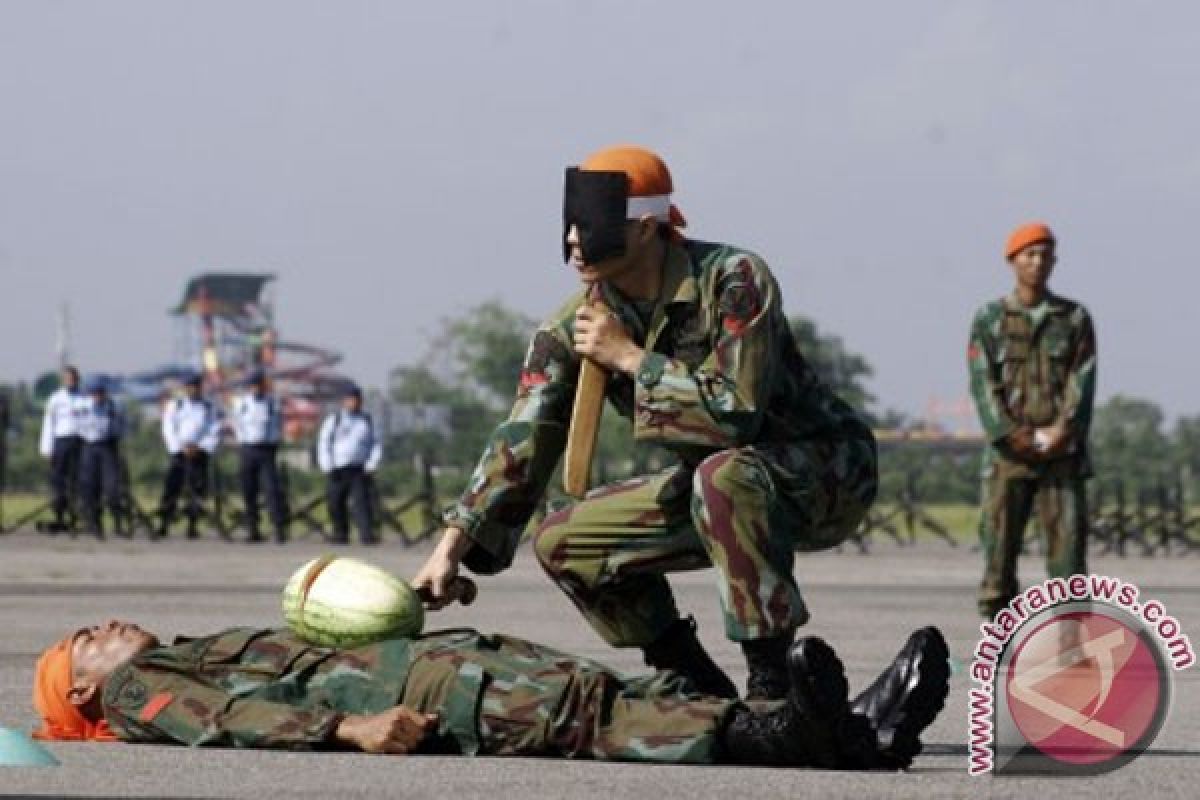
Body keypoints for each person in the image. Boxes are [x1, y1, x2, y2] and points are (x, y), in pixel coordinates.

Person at [414, 145, 877, 701]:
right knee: (565, 541)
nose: (573, 242)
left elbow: (736, 413)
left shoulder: (733, 280)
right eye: (570, 226)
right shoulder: (574, 325)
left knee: (725, 474)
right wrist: (450, 548)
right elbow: (523, 436)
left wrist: (631, 359)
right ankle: (697, 684)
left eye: (593, 226)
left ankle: (773, 686)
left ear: (647, 228)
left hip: (822, 472)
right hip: (719, 490)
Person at [31, 617, 949, 770]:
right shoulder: (139, 691)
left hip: (443, 666)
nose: (109, 625)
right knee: (593, 719)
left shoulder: (181, 654)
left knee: (611, 695)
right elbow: (224, 722)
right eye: (89, 636)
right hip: (426, 690)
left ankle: (856, 730)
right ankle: (801, 736)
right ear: (81, 685)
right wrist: (347, 727)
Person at [968, 222, 1097, 618]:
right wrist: (1008, 432)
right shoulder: (990, 319)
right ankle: (998, 632)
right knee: (998, 550)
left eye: (1045, 254)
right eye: (1029, 254)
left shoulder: (1073, 319)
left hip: (1061, 454)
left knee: (1067, 554)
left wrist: (1064, 430)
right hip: (1008, 456)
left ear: (1054, 261)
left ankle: (1071, 639)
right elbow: (983, 382)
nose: (1037, 262)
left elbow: (1083, 379)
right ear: (1012, 261)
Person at [317, 384, 383, 544]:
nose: (354, 403)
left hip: (359, 468)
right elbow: (324, 443)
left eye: (357, 400)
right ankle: (340, 533)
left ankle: (366, 533)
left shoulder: (367, 420)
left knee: (362, 503)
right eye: (351, 399)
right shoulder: (334, 420)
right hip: (337, 468)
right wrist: (327, 465)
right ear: (344, 401)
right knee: (335, 502)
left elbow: (376, 443)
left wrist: (372, 463)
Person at [158, 372, 221, 538]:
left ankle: (192, 525)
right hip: (179, 453)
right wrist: (179, 447)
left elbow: (214, 430)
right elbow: (168, 428)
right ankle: (164, 523)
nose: (192, 389)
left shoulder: (209, 407)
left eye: (195, 386)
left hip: (199, 453)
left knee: (197, 490)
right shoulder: (175, 405)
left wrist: (200, 447)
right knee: (172, 488)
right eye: (189, 386)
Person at [232, 370, 287, 543]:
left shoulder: (272, 403)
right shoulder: (242, 404)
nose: (255, 388)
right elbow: (237, 424)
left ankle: (278, 528)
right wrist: (242, 442)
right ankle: (252, 529)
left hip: (266, 450)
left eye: (258, 384)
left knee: (271, 490)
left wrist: (273, 442)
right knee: (249, 492)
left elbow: (278, 425)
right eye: (252, 385)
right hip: (248, 449)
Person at [76, 375, 126, 538]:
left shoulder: (113, 408)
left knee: (112, 488)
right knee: (90, 488)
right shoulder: (83, 407)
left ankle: (117, 521)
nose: (97, 396)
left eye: (100, 392)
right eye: (94, 393)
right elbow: (78, 427)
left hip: (107, 448)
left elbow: (121, 427)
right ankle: (94, 523)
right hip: (89, 447)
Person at [37, 365, 85, 531]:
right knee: (58, 479)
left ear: (77, 379)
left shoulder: (84, 397)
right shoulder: (55, 398)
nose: (70, 381)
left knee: (78, 479)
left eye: (72, 378)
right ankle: (59, 512)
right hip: (61, 441)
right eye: (67, 378)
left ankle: (78, 513)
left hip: (79, 441)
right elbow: (49, 424)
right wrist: (47, 449)